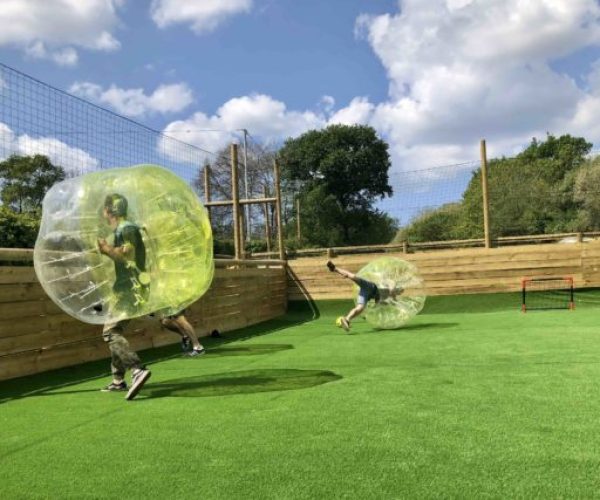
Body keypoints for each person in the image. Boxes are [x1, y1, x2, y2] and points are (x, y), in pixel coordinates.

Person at [97, 194, 206, 400]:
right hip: (133, 287)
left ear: (110, 211)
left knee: (110, 333)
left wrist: (106, 250)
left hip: (129, 288)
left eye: (104, 209)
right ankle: (118, 380)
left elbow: (125, 256)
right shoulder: (128, 228)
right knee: (115, 331)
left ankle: (137, 370)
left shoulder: (125, 229)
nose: (102, 212)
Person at [326, 260, 403, 332]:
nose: (399, 292)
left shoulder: (387, 296)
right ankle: (334, 269)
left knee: (360, 308)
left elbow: (378, 303)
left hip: (369, 294)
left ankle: (346, 319)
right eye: (399, 291)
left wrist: (370, 312)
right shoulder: (390, 284)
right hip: (369, 286)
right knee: (353, 277)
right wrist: (393, 297)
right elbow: (391, 286)